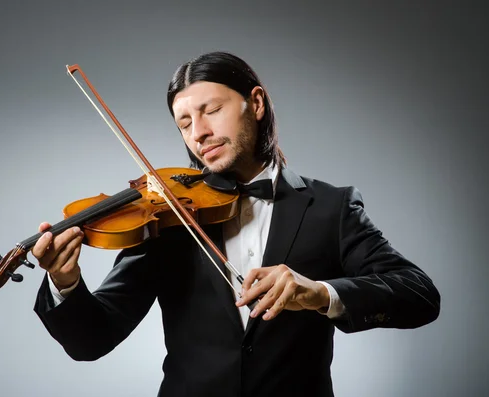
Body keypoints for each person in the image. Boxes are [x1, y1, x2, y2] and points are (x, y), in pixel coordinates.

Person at [32, 51, 440, 397]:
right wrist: (65, 283)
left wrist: (319, 293)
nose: (200, 133)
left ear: (256, 104)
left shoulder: (331, 206)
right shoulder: (170, 215)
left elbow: (419, 294)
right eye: (185, 123)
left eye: (211, 111)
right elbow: (92, 339)